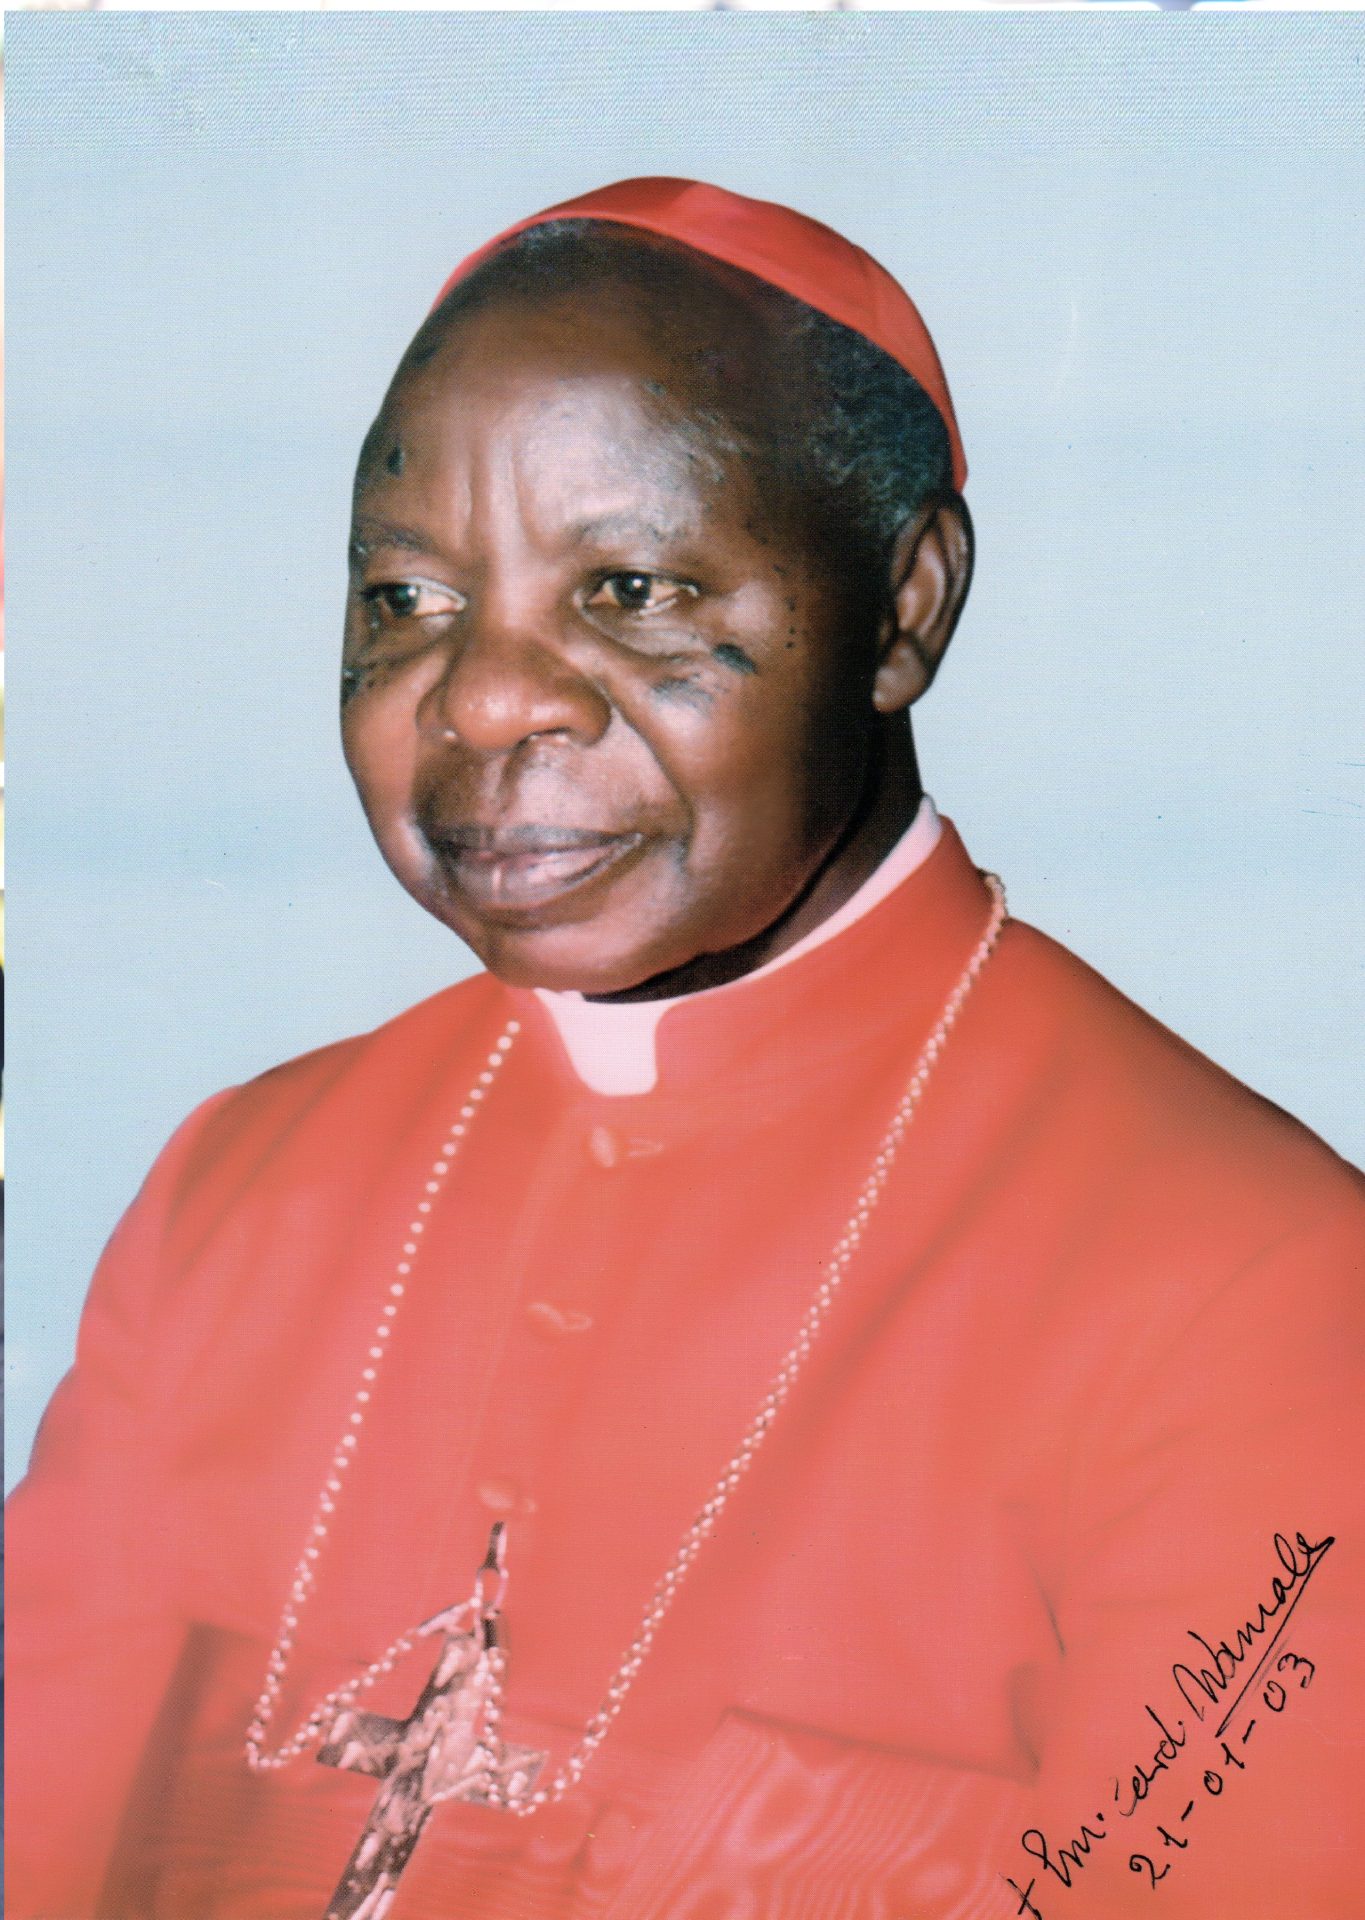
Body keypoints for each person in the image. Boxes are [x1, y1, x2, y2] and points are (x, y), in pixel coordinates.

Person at [7, 176, 1363, 1920]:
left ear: (903, 609)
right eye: (406, 599)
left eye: (628, 588)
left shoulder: (1255, 1291)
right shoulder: (237, 1189)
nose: (484, 698)